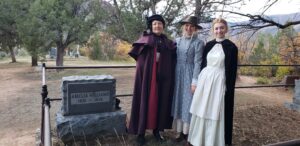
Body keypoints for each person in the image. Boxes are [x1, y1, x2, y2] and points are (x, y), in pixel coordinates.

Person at [188, 17, 238, 146]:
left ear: (226, 29)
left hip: (219, 81)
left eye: (221, 28)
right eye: (216, 28)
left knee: (215, 109)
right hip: (205, 80)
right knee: (203, 108)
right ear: (213, 30)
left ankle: (213, 141)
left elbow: (232, 70)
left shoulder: (231, 47)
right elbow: (203, 63)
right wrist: (198, 81)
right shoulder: (208, 45)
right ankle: (199, 139)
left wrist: (228, 87)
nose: (219, 30)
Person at [127, 14, 177, 146]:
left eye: (160, 24)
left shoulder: (167, 42)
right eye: (155, 24)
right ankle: (141, 133)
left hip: (163, 78)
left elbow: (173, 57)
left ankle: (157, 131)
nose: (157, 26)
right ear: (151, 26)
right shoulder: (145, 40)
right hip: (147, 78)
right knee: (144, 101)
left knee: (161, 102)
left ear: (163, 26)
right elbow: (139, 58)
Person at [171, 16, 204, 142]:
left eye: (192, 26)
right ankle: (179, 132)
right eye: (187, 25)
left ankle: (187, 133)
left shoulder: (198, 43)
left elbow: (198, 63)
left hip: (190, 74)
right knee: (179, 101)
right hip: (177, 74)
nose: (189, 28)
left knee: (188, 102)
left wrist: (194, 82)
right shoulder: (177, 41)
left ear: (195, 29)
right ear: (183, 26)